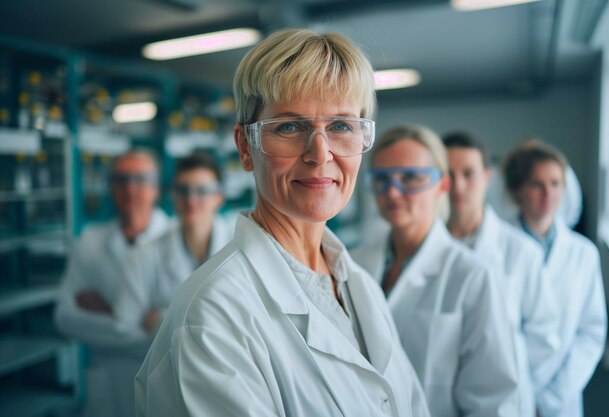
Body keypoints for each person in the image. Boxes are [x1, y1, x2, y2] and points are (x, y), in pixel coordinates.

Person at [135, 29, 431, 417]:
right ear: (245, 147)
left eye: (341, 126)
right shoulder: (213, 315)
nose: (320, 154)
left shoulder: (358, 284)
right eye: (290, 127)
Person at [351, 125, 519, 417]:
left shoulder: (472, 276)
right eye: (381, 180)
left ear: (442, 185)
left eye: (410, 178)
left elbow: (493, 400)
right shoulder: (354, 265)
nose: (392, 191)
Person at [443, 131, 560, 417]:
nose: (458, 186)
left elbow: (543, 338)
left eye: (468, 174)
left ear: (487, 176)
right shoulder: (425, 251)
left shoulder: (520, 252)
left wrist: (509, 376)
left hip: (503, 403)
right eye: (449, 174)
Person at [54, 149, 171, 417]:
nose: (130, 189)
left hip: (163, 382)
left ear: (156, 188)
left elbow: (184, 332)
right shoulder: (90, 242)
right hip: (107, 385)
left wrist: (109, 316)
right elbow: (64, 318)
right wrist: (149, 325)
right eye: (122, 180)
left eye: (140, 179)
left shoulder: (178, 242)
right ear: (111, 188)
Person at [502, 139, 607, 417]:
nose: (547, 193)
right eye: (537, 184)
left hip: (561, 401)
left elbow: (591, 333)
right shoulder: (497, 250)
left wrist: (551, 397)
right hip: (506, 394)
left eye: (556, 183)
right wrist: (522, 392)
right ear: (518, 189)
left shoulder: (583, 254)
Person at [114, 151, 233, 338]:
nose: (191, 200)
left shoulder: (240, 249)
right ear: (173, 196)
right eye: (183, 191)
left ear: (219, 197)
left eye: (201, 191)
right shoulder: (145, 255)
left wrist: (162, 320)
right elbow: (124, 324)